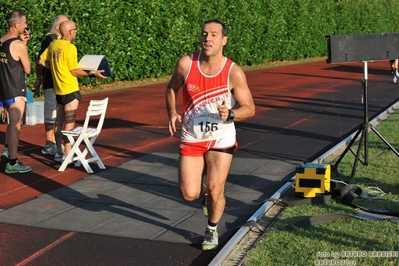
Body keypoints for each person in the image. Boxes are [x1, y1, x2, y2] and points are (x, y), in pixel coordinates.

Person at [165, 19, 255, 251]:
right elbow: (171, 88)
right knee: (189, 194)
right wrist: (172, 113)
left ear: (224, 40)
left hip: (221, 137)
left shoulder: (233, 72)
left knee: (215, 188)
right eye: (205, 34)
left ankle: (212, 229)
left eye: (214, 34)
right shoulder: (186, 64)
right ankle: (203, 194)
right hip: (192, 137)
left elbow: (250, 108)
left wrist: (232, 114)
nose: (208, 38)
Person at [38, 20, 106, 164]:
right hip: (70, 90)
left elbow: (41, 61)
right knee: (69, 125)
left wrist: (57, 69)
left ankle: (58, 152)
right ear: (70, 32)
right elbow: (74, 71)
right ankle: (68, 154)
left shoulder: (53, 44)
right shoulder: (70, 48)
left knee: (59, 122)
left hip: (59, 91)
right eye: (75, 29)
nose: (76, 32)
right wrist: (93, 72)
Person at [0, 10, 32, 174]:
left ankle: (7, 150)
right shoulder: (18, 45)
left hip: (3, 89)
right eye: (24, 22)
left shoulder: (0, 41)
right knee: (15, 125)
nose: (26, 26)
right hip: (15, 89)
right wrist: (23, 45)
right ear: (17, 24)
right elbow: (27, 69)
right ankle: (12, 162)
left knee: (10, 124)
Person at [34, 14, 69, 156]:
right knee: (51, 113)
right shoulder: (49, 39)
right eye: (64, 23)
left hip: (60, 82)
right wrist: (40, 78)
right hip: (51, 83)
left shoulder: (60, 41)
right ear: (57, 27)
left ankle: (56, 142)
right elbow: (40, 61)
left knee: (59, 113)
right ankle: (49, 143)